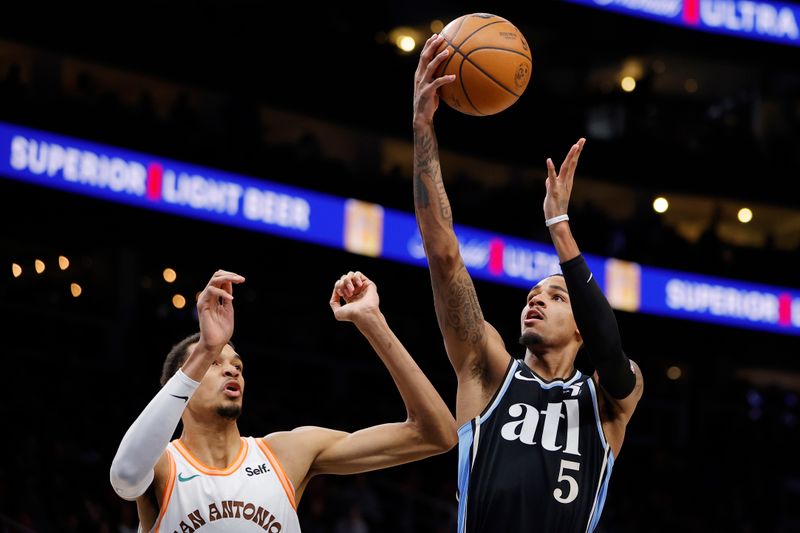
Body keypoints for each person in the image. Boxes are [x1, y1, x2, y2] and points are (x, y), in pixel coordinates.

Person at [412, 34, 644, 533]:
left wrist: (561, 230)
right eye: (532, 296)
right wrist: (423, 128)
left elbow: (610, 348)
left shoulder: (608, 402)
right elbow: (444, 255)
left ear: (581, 324)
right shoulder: (488, 368)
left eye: (555, 296)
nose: (535, 301)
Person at [110, 269, 457, 532]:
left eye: (237, 365)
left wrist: (372, 322)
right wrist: (205, 348)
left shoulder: (285, 453)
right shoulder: (163, 465)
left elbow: (436, 434)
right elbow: (124, 477)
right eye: (215, 364)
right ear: (181, 385)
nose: (231, 371)